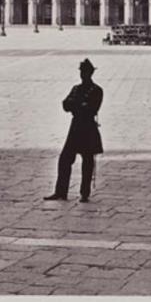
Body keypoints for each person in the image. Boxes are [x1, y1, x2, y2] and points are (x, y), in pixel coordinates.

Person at [44, 58, 104, 203]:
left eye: (85, 72)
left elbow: (92, 108)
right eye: (82, 72)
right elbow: (65, 104)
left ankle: (84, 193)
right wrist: (79, 105)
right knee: (65, 159)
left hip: (87, 128)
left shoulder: (96, 90)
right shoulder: (76, 88)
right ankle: (61, 191)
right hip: (76, 127)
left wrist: (76, 105)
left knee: (87, 161)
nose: (83, 75)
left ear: (90, 73)